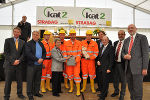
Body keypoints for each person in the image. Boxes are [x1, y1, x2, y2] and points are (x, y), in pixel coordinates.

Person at [122, 24, 149, 100]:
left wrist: (145, 68)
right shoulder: (126, 40)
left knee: (138, 89)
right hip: (128, 69)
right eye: (129, 28)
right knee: (131, 89)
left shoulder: (142, 37)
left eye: (132, 28)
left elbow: (145, 53)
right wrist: (124, 56)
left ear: (136, 29)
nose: (130, 29)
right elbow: (123, 52)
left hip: (138, 69)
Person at [3, 27, 25, 100]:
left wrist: (19, 60)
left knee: (19, 81)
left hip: (19, 64)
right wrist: (13, 61)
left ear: (20, 33)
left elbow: (23, 54)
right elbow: (6, 53)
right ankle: (6, 96)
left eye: (17, 32)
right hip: (9, 65)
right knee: (8, 82)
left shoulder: (23, 42)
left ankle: (20, 94)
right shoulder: (7, 40)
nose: (16, 33)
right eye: (15, 31)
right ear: (13, 32)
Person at [25, 31, 46, 100]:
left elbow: (44, 52)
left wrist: (42, 58)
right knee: (30, 80)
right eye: (34, 34)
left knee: (37, 80)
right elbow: (28, 54)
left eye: (37, 35)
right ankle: (29, 94)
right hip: (31, 65)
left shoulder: (41, 43)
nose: (35, 36)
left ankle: (36, 92)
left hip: (39, 65)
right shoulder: (28, 43)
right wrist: (37, 59)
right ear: (32, 35)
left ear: (39, 36)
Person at [97, 36, 115, 100]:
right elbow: (100, 57)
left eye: (105, 40)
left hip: (107, 68)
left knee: (105, 83)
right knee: (102, 82)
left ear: (108, 40)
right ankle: (104, 93)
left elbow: (111, 59)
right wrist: (98, 61)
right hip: (101, 67)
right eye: (103, 40)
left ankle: (103, 97)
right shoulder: (101, 47)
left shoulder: (111, 48)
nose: (104, 41)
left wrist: (109, 68)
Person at [65, 29, 82, 96]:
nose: (72, 36)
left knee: (77, 76)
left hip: (76, 63)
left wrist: (75, 61)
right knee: (70, 75)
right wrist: (67, 60)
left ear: (75, 35)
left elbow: (79, 53)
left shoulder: (79, 43)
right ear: (70, 35)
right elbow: (65, 53)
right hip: (69, 63)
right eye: (71, 34)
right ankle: (71, 88)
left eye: (74, 34)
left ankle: (78, 90)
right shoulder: (66, 43)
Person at [111, 30, 126, 100]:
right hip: (115, 64)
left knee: (123, 81)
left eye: (122, 34)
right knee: (115, 79)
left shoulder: (127, 43)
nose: (120, 35)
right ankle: (116, 91)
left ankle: (122, 95)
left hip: (123, 65)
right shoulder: (115, 43)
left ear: (124, 35)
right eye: (119, 34)